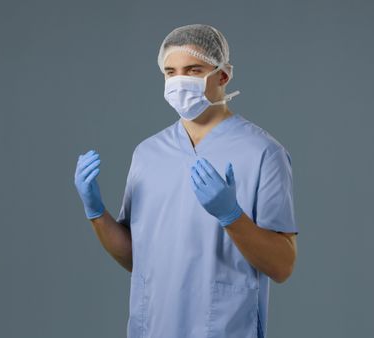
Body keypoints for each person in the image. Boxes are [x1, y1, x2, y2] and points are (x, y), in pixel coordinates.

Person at [74, 23, 299, 338]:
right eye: (170, 72)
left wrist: (231, 216)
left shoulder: (263, 153)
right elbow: (137, 260)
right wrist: (97, 213)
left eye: (193, 70)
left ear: (223, 75)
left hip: (222, 327)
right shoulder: (148, 153)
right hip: (152, 326)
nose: (179, 81)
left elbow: (282, 266)